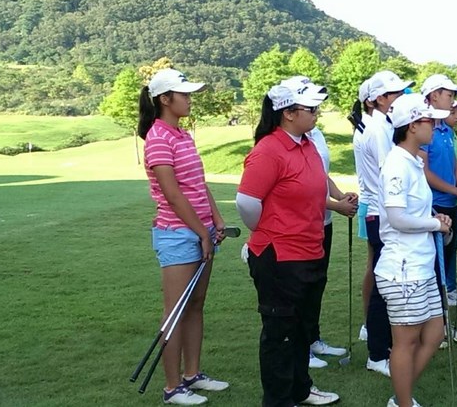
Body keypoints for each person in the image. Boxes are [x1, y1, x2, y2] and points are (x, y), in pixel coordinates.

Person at [236, 82, 339, 406]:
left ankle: (300, 389)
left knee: (301, 329)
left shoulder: (307, 144)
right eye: (311, 109)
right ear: (288, 113)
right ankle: (279, 400)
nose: (317, 113)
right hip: (280, 257)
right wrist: (268, 230)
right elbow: (246, 202)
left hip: (310, 250)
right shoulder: (268, 150)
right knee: (280, 333)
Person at [138, 68, 229, 405]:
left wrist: (216, 219)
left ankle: (192, 374)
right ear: (165, 99)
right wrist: (202, 233)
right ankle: (172, 387)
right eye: (185, 94)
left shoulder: (183, 135)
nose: (190, 100)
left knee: (195, 305)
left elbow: (198, 185)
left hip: (200, 229)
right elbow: (173, 195)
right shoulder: (158, 138)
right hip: (177, 234)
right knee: (175, 311)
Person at [376, 93, 452, 407]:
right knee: (405, 342)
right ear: (411, 126)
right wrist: (435, 224)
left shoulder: (413, 161)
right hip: (403, 269)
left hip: (420, 265)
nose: (434, 125)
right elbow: (396, 218)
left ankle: (401, 396)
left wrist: (434, 217)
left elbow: (412, 211)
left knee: (434, 334)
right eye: (429, 120)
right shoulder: (397, 164)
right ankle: (403, 402)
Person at [279, 76, 359, 369]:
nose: (316, 110)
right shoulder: (284, 140)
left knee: (316, 284)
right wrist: (337, 206)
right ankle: (300, 348)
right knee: (299, 289)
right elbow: (300, 189)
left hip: (321, 222)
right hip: (300, 225)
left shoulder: (316, 135)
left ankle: (312, 338)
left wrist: (339, 195)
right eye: (310, 105)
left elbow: (319, 175)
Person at [361, 70, 415, 376]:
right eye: (396, 94)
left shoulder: (382, 125)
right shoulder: (379, 129)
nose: (402, 98)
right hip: (383, 215)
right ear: (379, 99)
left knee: (385, 283)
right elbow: (390, 173)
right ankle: (378, 353)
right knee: (384, 287)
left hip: (382, 213)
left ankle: (383, 347)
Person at [419, 74, 457, 308]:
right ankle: (437, 299)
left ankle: (448, 291)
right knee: (435, 255)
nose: (452, 100)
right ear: (434, 96)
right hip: (435, 203)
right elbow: (425, 172)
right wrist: (456, 190)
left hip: (451, 202)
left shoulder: (447, 130)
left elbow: (455, 165)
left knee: (449, 251)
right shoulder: (424, 128)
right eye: (449, 95)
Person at [349, 78, 375, 343]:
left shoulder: (372, 126)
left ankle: (373, 321)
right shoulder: (369, 128)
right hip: (373, 204)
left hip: (375, 203)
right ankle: (369, 322)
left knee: (377, 264)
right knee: (375, 265)